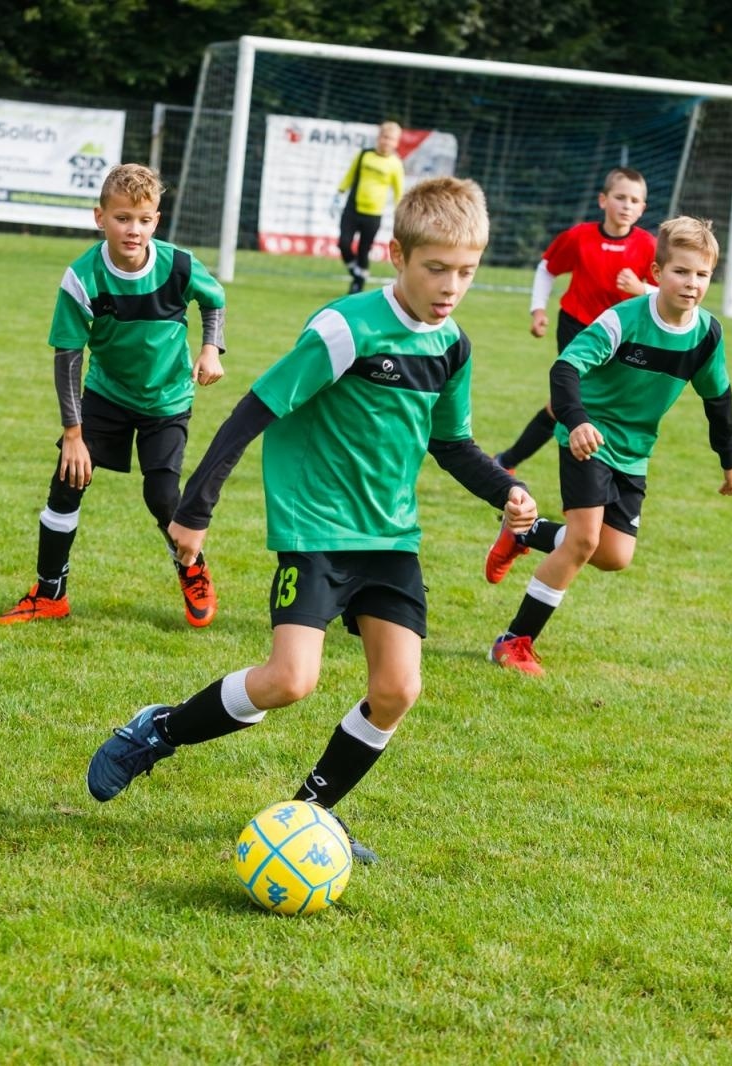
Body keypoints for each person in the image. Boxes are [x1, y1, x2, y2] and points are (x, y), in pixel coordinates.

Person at [85, 176, 536, 863]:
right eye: (436, 268)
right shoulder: (345, 328)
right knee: (290, 680)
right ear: (397, 256)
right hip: (318, 531)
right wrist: (195, 507)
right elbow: (257, 408)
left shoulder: (452, 347)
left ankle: (310, 813)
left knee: (398, 690)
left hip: (391, 540)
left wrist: (505, 489)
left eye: (466, 272)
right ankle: (160, 730)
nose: (450, 286)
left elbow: (450, 442)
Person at [483, 215, 732, 677]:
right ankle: (512, 642)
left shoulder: (706, 335)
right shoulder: (623, 320)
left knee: (613, 555)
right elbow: (565, 369)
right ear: (657, 274)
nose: (692, 283)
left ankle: (524, 533)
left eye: (702, 274)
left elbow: (718, 398)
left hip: (635, 449)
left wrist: (729, 459)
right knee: (583, 540)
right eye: (681, 272)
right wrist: (577, 421)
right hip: (589, 436)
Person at [0, 164, 226, 628]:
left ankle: (192, 568)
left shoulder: (178, 264)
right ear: (100, 217)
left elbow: (214, 299)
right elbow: (68, 357)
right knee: (68, 478)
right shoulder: (82, 277)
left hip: (167, 401)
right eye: (122, 218)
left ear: (156, 221)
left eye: (143, 219)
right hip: (106, 396)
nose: (133, 229)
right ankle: (49, 593)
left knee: (163, 496)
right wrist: (73, 433)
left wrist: (209, 348)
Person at [494, 167, 657, 472]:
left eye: (634, 200)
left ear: (642, 208)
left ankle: (508, 461)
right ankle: (515, 464)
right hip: (578, 326)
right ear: (602, 200)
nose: (626, 205)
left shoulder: (649, 246)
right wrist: (538, 309)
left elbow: (665, 292)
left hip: (621, 336)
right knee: (572, 403)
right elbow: (547, 268)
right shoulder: (580, 237)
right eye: (619, 197)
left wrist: (642, 288)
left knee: (591, 404)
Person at [332, 121, 406, 295]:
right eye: (384, 137)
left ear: (396, 143)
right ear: (378, 137)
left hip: (373, 214)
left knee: (364, 250)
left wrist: (401, 213)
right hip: (352, 209)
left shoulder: (395, 164)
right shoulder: (364, 155)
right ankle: (356, 273)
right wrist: (339, 192)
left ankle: (358, 284)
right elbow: (350, 174)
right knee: (343, 243)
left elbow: (398, 192)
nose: (386, 141)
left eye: (390, 139)